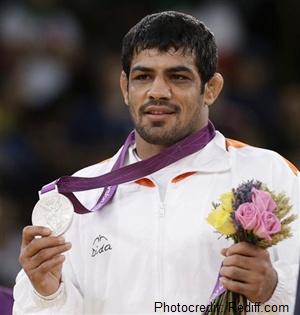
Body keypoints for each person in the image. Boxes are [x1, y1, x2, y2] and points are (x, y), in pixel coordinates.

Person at [13, 11, 300, 314]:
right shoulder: (77, 199)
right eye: (143, 76)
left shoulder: (270, 174)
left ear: (211, 88)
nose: (158, 92)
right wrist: (48, 295)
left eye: (178, 77)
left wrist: (273, 289)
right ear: (125, 88)